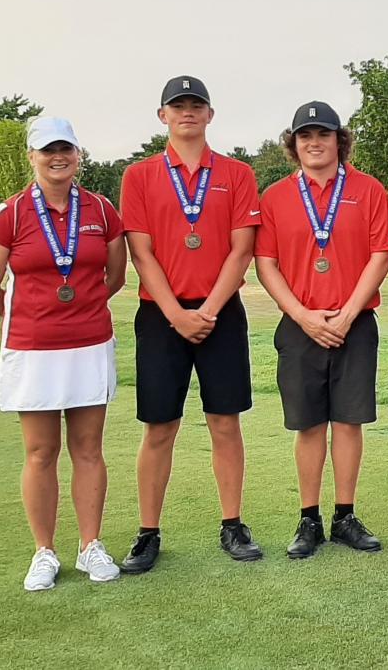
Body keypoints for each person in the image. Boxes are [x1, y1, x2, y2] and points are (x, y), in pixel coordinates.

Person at [0, 117, 126, 590]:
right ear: (32, 157)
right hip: (33, 349)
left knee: (88, 449)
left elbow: (115, 277)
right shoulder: (12, 213)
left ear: (79, 154)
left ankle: (90, 546)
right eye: (47, 150)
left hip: (90, 343)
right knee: (41, 452)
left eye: (66, 149)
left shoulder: (101, 209)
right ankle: (44, 551)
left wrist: (77, 313)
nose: (57, 157)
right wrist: (33, 318)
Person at [118, 76, 263, 573]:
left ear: (210, 114)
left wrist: (209, 310)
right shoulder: (138, 176)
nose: (187, 113)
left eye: (196, 105)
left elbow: (241, 249)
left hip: (221, 313)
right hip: (162, 315)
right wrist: (177, 314)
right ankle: (148, 531)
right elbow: (141, 252)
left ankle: (232, 524)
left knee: (225, 422)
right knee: (160, 427)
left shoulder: (238, 173)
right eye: (177, 106)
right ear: (162, 116)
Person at [255, 101, 388, 558]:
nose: (314, 143)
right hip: (300, 325)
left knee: (349, 422)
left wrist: (349, 313)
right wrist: (302, 315)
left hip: (354, 322)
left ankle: (345, 516)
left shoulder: (369, 190)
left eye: (324, 134)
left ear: (340, 140)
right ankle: (309, 519)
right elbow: (266, 264)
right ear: (293, 144)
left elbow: (380, 255)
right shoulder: (274, 196)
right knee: (309, 425)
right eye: (305, 136)